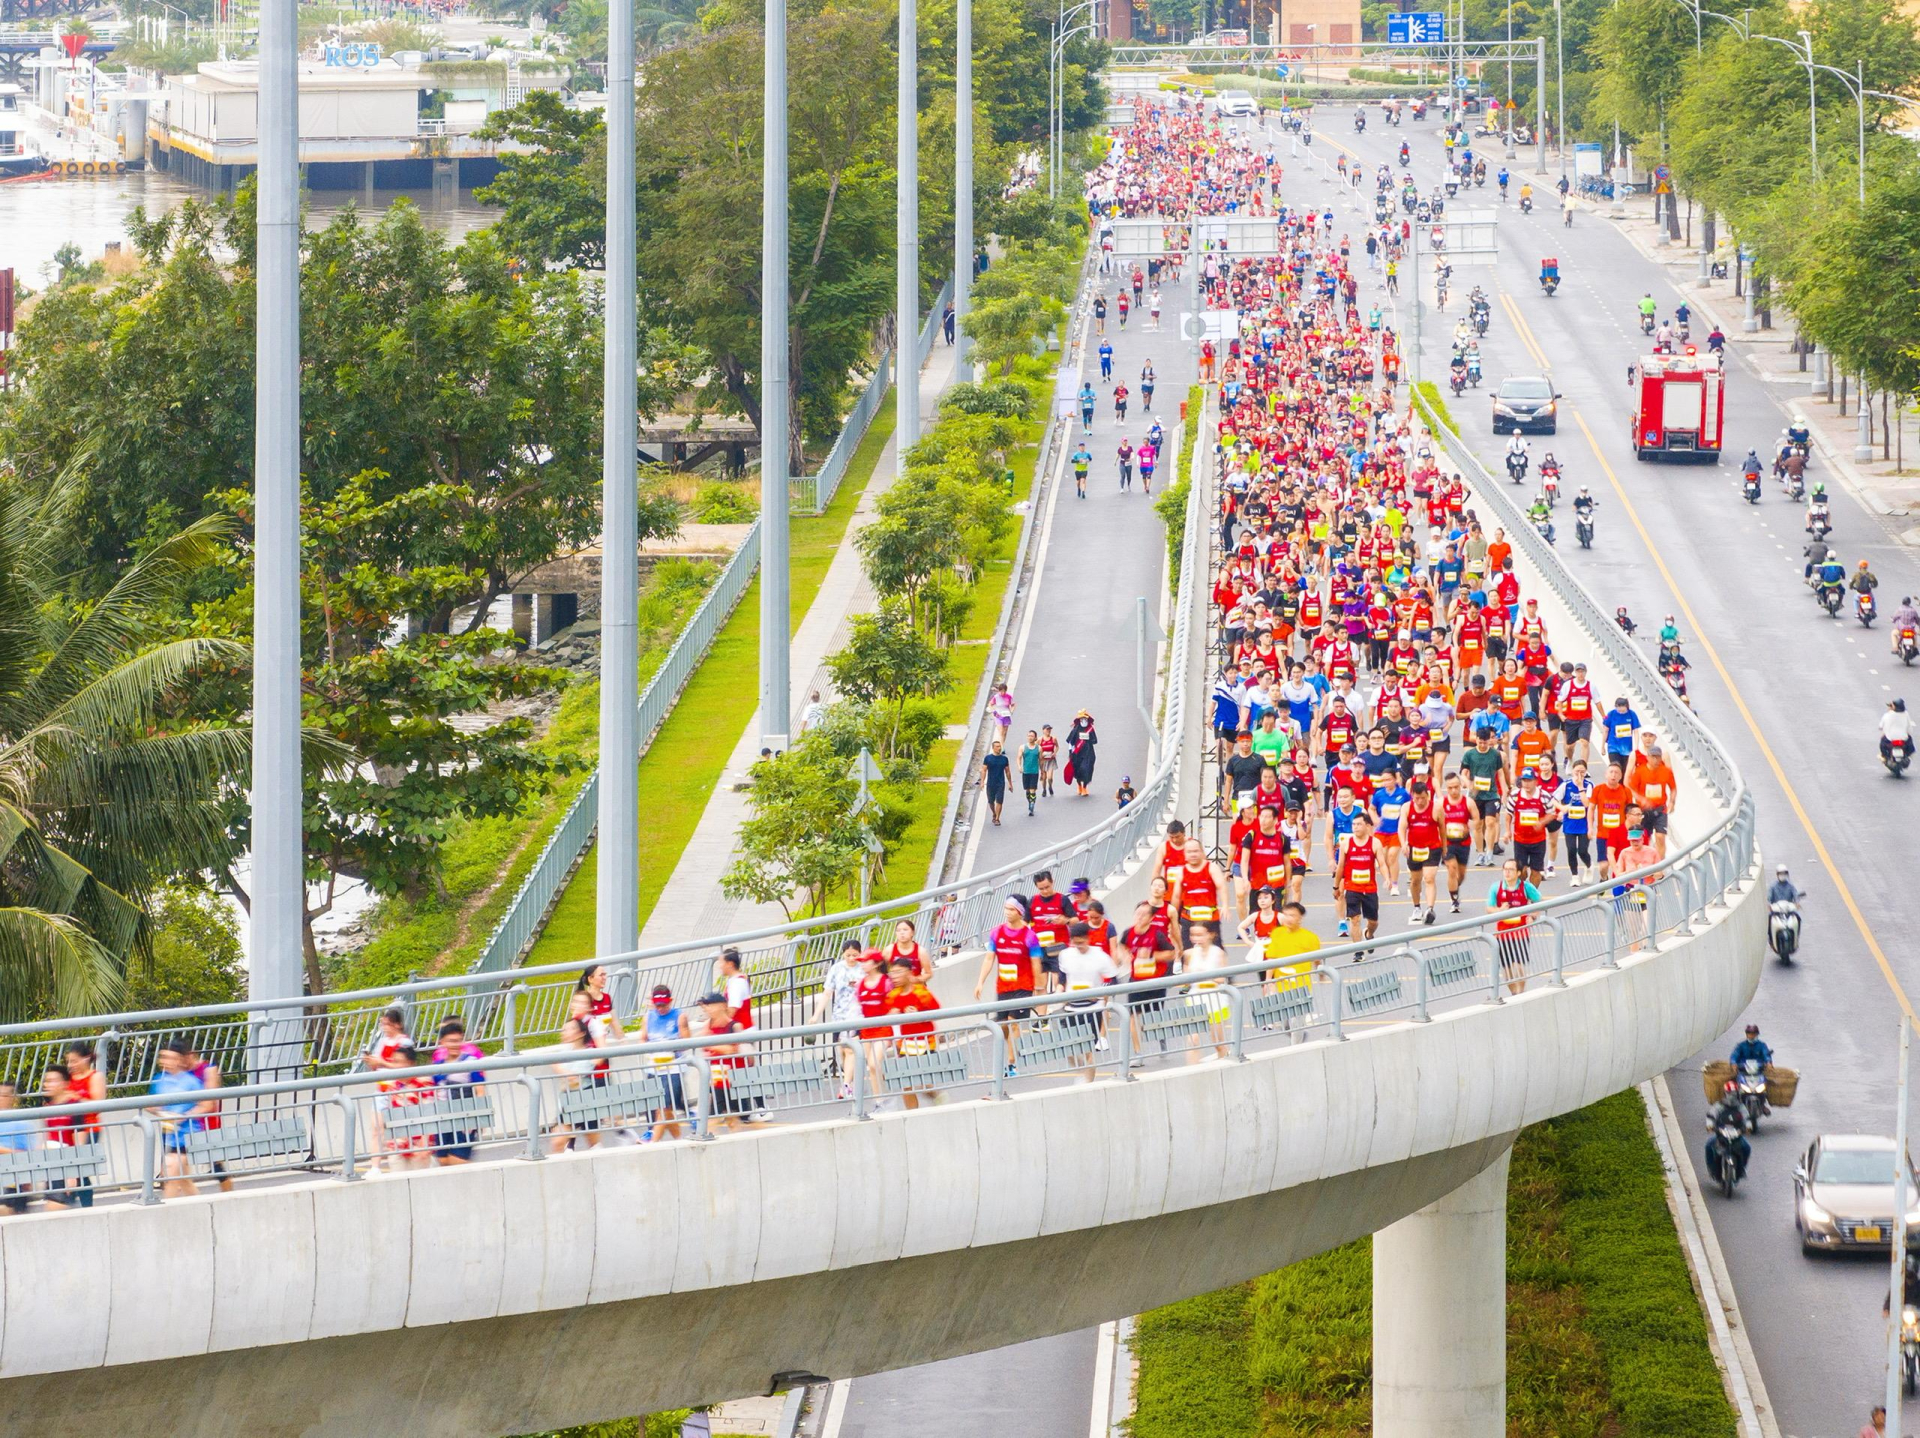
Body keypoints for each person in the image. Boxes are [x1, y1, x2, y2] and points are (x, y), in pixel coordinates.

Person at [148, 1038, 206, 1198]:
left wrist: (184, 1116)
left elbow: (205, 1105)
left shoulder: (191, 1081)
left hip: (188, 1135)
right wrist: (162, 1114)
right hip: (170, 1135)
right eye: (163, 1057)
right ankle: (202, 1208)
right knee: (183, 1180)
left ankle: (166, 1213)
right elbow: (150, 1104)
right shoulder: (160, 1080)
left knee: (172, 1176)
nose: (166, 1062)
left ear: (180, 1060)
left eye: (171, 1058)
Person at [980, 737, 1012, 825]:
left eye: (1000, 746)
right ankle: (994, 813)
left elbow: (1007, 771)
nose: (999, 748)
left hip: (1000, 783)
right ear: (993, 748)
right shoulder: (988, 758)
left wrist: (1010, 783)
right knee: (991, 801)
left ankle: (997, 818)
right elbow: (984, 770)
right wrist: (982, 782)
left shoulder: (1004, 759)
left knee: (999, 801)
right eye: (997, 746)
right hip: (990, 783)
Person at [1881, 697, 1913, 766]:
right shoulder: (1906, 714)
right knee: (1910, 744)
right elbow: (1909, 727)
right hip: (1903, 738)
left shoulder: (1888, 714)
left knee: (1882, 743)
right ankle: (1907, 757)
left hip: (1890, 738)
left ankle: (1885, 757)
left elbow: (1881, 726)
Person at [1020, 729, 1042, 816]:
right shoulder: (1022, 747)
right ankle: (1030, 802)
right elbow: (1019, 758)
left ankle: (1032, 806)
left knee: (1033, 789)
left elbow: (1041, 760)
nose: (1030, 737)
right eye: (1029, 736)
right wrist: (1019, 766)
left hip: (1034, 772)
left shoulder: (1039, 748)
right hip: (1026, 772)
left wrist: (1042, 772)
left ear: (1035, 738)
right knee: (1027, 790)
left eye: (1032, 736)